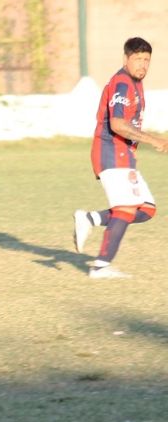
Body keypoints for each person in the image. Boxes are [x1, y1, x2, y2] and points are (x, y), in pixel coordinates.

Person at [73, 37, 168, 279]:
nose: (142, 65)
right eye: (137, 59)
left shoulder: (135, 83)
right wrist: (154, 140)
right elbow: (117, 124)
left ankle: (89, 218)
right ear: (126, 59)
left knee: (146, 209)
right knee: (125, 210)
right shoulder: (123, 84)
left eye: (146, 60)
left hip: (123, 154)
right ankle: (100, 266)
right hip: (111, 150)